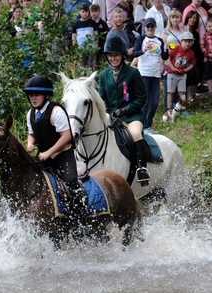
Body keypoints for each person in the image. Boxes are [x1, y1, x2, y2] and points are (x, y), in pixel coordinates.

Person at [25, 75, 85, 226]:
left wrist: (48, 153)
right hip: (44, 157)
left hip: (63, 156)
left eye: (36, 95)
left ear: (45, 95)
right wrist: (30, 144)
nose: (33, 98)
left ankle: (79, 218)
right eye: (31, 95)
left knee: (71, 182)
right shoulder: (30, 114)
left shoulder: (56, 111)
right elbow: (31, 134)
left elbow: (67, 136)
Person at [98, 35, 150, 186]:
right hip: (112, 117)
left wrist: (125, 110)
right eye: (110, 55)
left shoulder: (133, 73)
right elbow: (102, 99)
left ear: (122, 55)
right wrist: (107, 113)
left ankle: (142, 168)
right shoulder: (103, 75)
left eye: (116, 55)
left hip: (132, 116)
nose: (112, 58)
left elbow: (141, 98)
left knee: (134, 134)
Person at [133, 17, 168, 135]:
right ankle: (141, 126)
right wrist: (143, 50)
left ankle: (148, 125)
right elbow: (134, 53)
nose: (150, 28)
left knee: (155, 102)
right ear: (144, 28)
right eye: (148, 26)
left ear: (155, 27)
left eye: (152, 26)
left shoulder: (159, 40)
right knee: (145, 101)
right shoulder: (141, 39)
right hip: (144, 73)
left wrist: (166, 50)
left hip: (156, 74)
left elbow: (164, 57)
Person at [164, 32, 196, 122]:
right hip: (172, 73)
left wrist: (185, 70)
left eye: (189, 42)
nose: (187, 44)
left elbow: (192, 64)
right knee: (170, 92)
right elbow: (168, 58)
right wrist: (173, 68)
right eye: (185, 41)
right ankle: (169, 109)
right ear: (181, 41)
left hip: (182, 74)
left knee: (182, 92)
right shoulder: (176, 48)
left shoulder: (191, 53)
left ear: (192, 43)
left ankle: (182, 108)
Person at [72, 4, 99, 69]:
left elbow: (96, 35)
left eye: (87, 11)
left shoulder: (93, 23)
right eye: (83, 11)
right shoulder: (76, 24)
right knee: (81, 67)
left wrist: (96, 46)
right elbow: (74, 37)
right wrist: (75, 48)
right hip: (80, 49)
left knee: (92, 66)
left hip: (91, 49)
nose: (85, 13)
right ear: (79, 12)